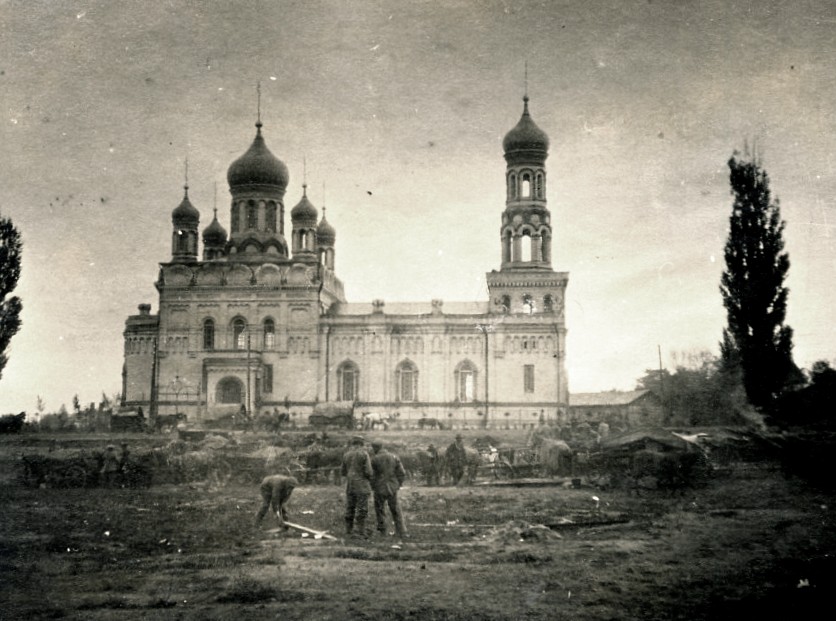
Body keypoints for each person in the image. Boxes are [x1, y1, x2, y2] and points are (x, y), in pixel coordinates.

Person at [370, 441, 407, 539]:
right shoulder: (394, 457)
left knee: (380, 510)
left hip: (379, 488)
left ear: (375, 448)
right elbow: (402, 473)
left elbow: (371, 475)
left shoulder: (374, 459)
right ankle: (401, 531)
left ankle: (383, 532)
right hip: (392, 487)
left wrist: (373, 486)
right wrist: (398, 484)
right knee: (396, 509)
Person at [341, 435, 372, 538]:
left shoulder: (346, 455)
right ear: (361, 444)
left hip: (350, 485)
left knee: (350, 507)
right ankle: (361, 531)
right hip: (362, 485)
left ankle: (348, 530)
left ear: (353, 444)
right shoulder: (364, 454)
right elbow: (368, 471)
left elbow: (343, 472)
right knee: (362, 508)